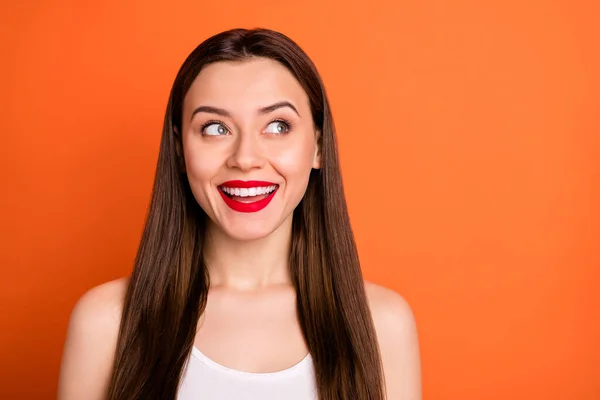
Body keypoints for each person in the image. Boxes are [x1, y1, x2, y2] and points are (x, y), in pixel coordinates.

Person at [57, 28, 422, 400]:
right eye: (215, 128)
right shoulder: (105, 324)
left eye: (278, 126)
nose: (245, 158)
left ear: (318, 146)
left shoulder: (382, 326)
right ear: (180, 150)